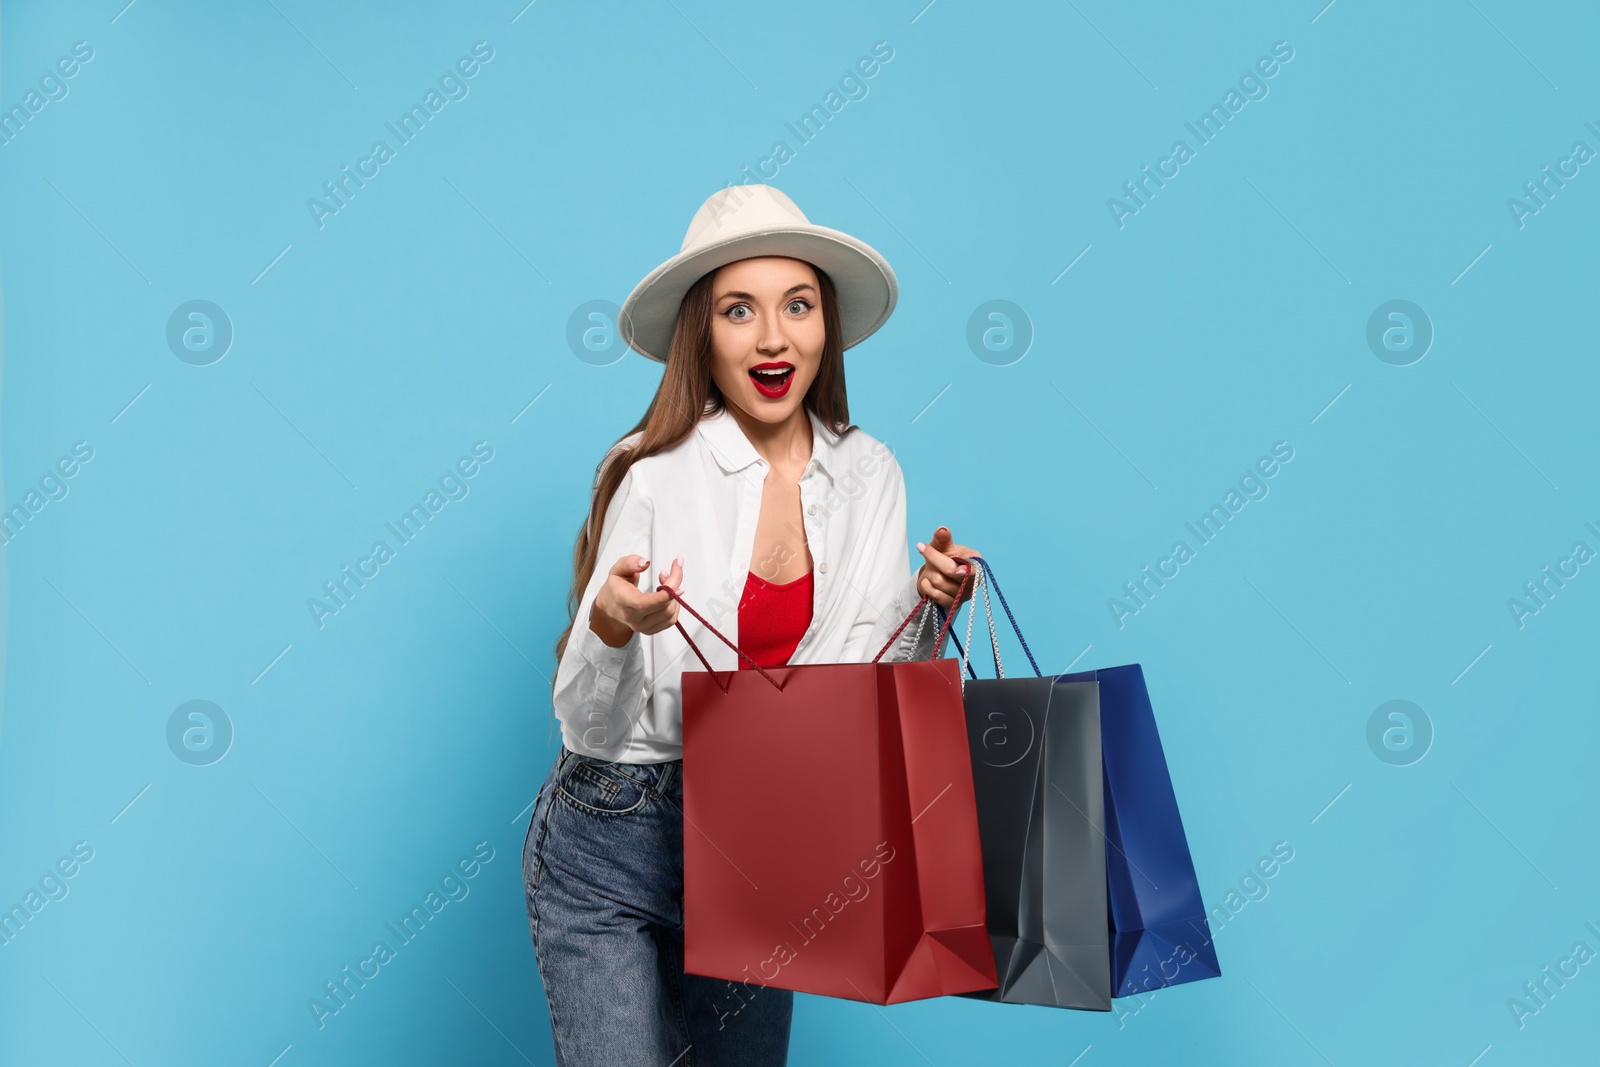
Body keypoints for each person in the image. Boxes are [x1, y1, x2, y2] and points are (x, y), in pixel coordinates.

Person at [521, 184, 981, 1066]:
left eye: (797, 306)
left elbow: (857, 688)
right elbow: (585, 722)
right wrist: (614, 622)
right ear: (704, 332)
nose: (774, 337)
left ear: (825, 325)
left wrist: (929, 608)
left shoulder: (870, 474)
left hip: (766, 834)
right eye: (741, 310)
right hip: (614, 836)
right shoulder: (649, 470)